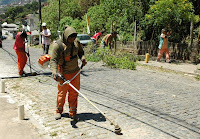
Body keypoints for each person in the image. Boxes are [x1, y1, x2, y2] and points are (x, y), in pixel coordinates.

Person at [50, 26, 87, 120]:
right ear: (66, 36)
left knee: (74, 93)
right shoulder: (58, 46)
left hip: (75, 72)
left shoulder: (76, 43)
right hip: (63, 73)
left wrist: (82, 58)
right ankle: (59, 111)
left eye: (74, 37)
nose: (72, 39)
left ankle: (73, 112)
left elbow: (81, 52)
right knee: (62, 93)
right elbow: (53, 60)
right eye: (70, 37)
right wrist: (54, 73)